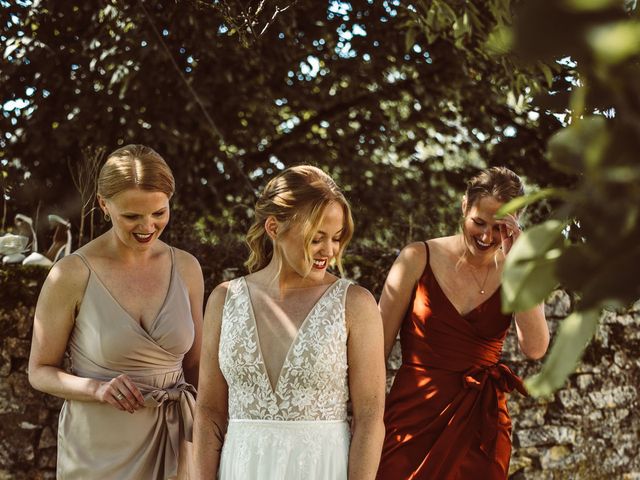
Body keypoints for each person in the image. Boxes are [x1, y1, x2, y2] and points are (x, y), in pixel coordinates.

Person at [193, 165, 386, 479]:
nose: (330, 251)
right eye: (316, 239)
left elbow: (369, 418)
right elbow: (209, 413)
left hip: (321, 468)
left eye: (336, 238)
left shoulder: (355, 304)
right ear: (274, 227)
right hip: (241, 468)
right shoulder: (224, 299)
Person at [28, 144, 204, 480]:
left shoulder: (187, 268)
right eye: (132, 216)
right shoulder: (71, 274)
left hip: (175, 443)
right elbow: (39, 371)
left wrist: (212, 436)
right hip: (98, 451)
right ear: (103, 205)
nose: (148, 226)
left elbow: (195, 365)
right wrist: (96, 388)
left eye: (159, 213)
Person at [376, 167, 549, 480]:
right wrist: (366, 423)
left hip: (481, 427)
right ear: (464, 207)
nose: (486, 237)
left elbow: (535, 348)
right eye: (479, 223)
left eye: (499, 228)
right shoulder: (417, 258)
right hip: (413, 418)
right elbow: (375, 350)